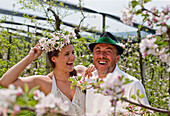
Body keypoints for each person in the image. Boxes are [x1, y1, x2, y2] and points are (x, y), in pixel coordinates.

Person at [0, 31, 85, 115]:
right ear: (54, 59)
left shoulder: (81, 72)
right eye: (67, 54)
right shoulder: (45, 83)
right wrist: (30, 58)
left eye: (73, 52)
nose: (72, 57)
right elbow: (5, 82)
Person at [85, 32, 149, 115]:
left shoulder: (132, 85)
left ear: (117, 58)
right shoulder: (88, 81)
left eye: (108, 52)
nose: (101, 56)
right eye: (98, 51)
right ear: (93, 56)